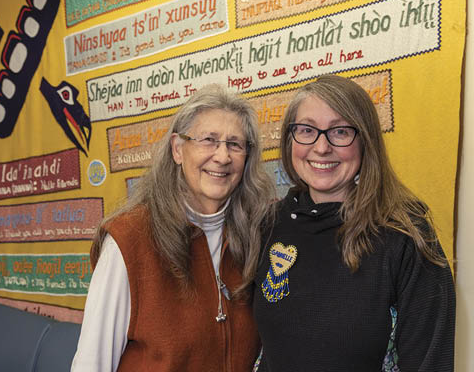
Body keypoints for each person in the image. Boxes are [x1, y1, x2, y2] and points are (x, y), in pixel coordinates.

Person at [253, 74, 455, 371]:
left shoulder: (405, 233)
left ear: (365, 140)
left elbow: (429, 362)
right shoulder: (268, 225)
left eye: (340, 131)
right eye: (307, 130)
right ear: (289, 139)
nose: (321, 148)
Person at [71, 84, 274, 371]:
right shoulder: (130, 239)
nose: (222, 156)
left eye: (235, 144)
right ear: (178, 149)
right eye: (208, 140)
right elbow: (92, 364)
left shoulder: (256, 236)